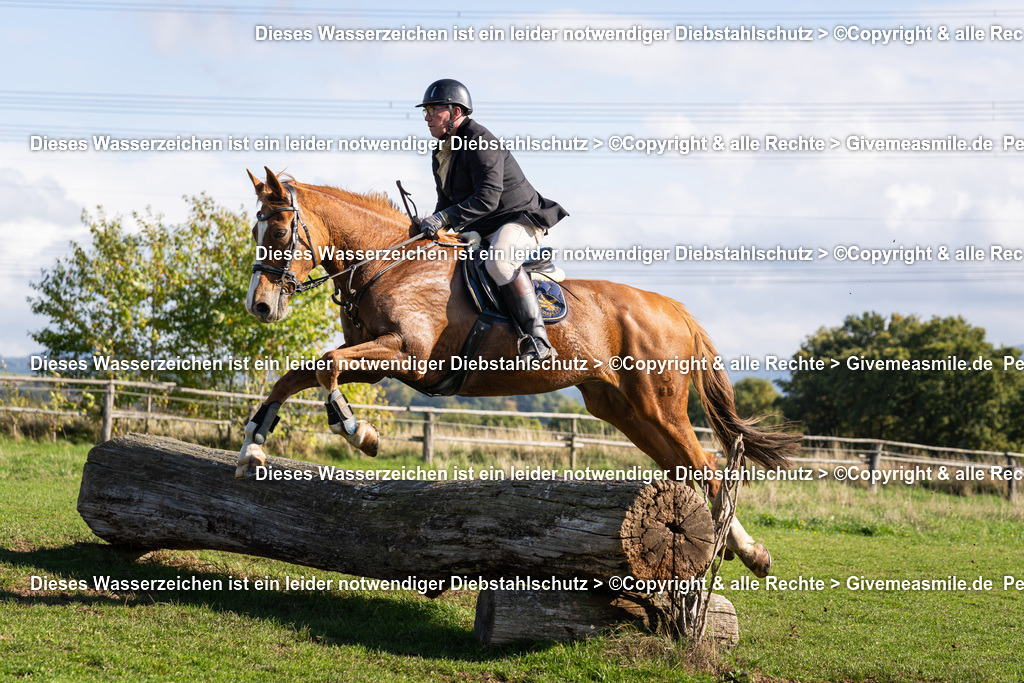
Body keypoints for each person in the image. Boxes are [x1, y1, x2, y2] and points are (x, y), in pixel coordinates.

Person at [415, 78, 568, 363]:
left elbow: (488, 197)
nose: (427, 117)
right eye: (426, 111)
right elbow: (446, 203)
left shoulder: (480, 141)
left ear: (456, 112)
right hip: (484, 226)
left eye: (434, 110)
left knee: (498, 262)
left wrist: (444, 218)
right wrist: (431, 226)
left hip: (520, 219)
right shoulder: (441, 151)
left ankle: (538, 340)